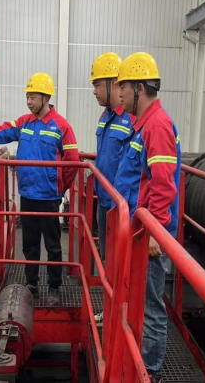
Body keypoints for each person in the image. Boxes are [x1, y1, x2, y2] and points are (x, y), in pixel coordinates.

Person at [0, 72, 79, 306]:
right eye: (27, 97)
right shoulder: (24, 123)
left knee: (53, 245)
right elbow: (2, 131)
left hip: (49, 197)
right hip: (27, 194)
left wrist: (60, 186)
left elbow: (72, 160)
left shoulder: (61, 126)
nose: (28, 101)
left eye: (33, 97)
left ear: (46, 98)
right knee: (29, 243)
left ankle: (54, 287)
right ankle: (32, 283)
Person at [113, 52, 181, 383]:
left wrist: (155, 231)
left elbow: (163, 185)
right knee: (140, 298)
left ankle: (150, 373)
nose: (120, 94)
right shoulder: (144, 125)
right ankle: (141, 359)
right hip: (142, 228)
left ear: (140, 88)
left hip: (152, 232)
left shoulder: (157, 126)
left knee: (152, 305)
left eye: (124, 87)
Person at [89, 52, 135, 327]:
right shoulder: (105, 117)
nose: (94, 91)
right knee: (108, 262)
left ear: (114, 84)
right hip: (104, 204)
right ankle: (111, 313)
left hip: (122, 209)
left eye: (97, 84)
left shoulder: (131, 121)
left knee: (123, 266)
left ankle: (123, 319)